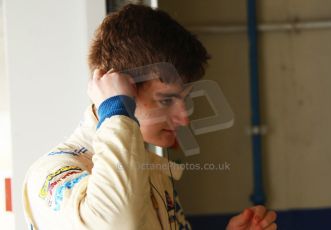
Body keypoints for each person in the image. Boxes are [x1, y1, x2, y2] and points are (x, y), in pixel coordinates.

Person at [22, 4, 277, 230]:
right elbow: (114, 224)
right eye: (166, 100)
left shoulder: (152, 171)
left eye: (184, 99)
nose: (184, 119)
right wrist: (115, 110)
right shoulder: (51, 173)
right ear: (119, 87)